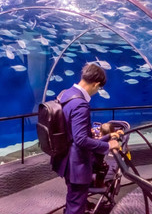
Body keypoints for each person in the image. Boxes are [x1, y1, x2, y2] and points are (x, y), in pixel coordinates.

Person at [52, 63, 121, 214]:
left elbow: (72, 131)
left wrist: (108, 137)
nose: (97, 91)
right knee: (76, 206)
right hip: (77, 165)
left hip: (65, 160)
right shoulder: (80, 104)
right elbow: (81, 140)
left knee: (73, 200)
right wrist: (109, 146)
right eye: (99, 88)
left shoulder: (66, 93)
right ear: (96, 84)